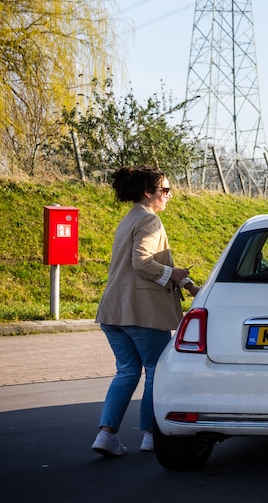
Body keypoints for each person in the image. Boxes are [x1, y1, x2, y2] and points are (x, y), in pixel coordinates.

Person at [91, 165, 199, 457]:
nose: (169, 196)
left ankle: (106, 434)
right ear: (147, 193)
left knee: (126, 371)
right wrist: (175, 276)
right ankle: (151, 434)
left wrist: (188, 285)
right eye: (164, 191)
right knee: (155, 370)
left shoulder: (130, 219)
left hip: (114, 311)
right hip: (143, 313)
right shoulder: (150, 221)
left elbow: (149, 265)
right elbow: (143, 263)